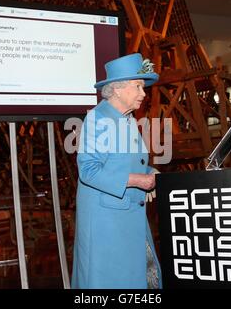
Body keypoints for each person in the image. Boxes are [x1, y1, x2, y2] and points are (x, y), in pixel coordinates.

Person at [72, 53, 162, 289]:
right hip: (106, 223)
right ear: (119, 89)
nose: (144, 93)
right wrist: (137, 181)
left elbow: (124, 161)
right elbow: (89, 171)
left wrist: (151, 171)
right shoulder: (97, 119)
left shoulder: (127, 119)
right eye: (138, 86)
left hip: (126, 214)